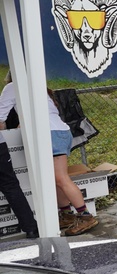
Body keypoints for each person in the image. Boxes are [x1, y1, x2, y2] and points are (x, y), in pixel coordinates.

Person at [0, 73, 98, 236]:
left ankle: (86, 216)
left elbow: (0, 118)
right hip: (58, 132)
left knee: (60, 178)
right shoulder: (37, 86)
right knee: (54, 178)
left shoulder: (12, 87)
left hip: (49, 134)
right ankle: (67, 215)